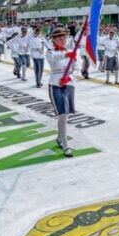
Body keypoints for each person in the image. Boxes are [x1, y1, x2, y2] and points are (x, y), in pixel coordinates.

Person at [45, 28, 77, 158]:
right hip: (55, 84)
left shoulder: (71, 51)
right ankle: (65, 144)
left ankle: (59, 138)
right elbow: (53, 59)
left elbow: (76, 68)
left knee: (65, 115)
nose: (62, 39)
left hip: (69, 83)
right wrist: (66, 55)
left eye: (64, 37)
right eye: (59, 38)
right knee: (62, 114)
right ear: (53, 40)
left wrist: (68, 77)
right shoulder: (50, 51)